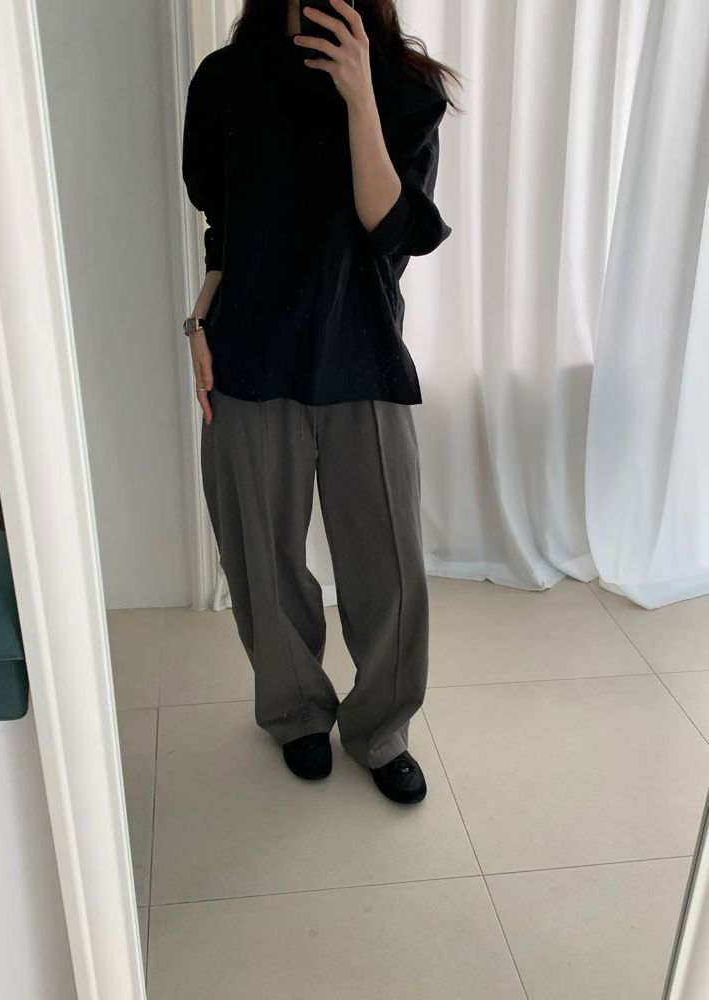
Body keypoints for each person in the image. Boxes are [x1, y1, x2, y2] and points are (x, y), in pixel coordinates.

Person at [181, 0, 461, 805]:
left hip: (361, 354)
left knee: (389, 569)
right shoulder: (225, 81)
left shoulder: (404, 87)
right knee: (261, 560)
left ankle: (381, 729)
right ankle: (296, 710)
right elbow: (224, 225)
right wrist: (197, 321)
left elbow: (392, 228)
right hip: (247, 355)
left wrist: (360, 96)